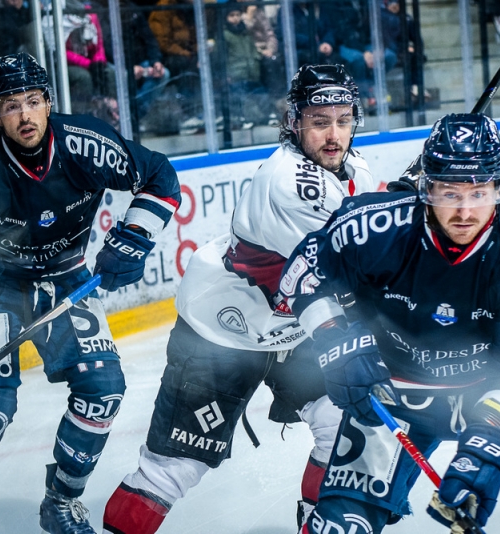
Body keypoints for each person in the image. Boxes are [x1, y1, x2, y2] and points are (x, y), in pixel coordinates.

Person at [280, 113, 500, 534]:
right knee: (341, 526)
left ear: (499, 189)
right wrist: (333, 336)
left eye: (479, 192)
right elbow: (302, 275)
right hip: (392, 388)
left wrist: (489, 437)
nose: (465, 211)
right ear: (426, 188)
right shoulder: (370, 228)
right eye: (450, 193)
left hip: (497, 388)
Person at [101, 64, 374, 534]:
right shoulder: (288, 182)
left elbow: (365, 221)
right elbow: (349, 264)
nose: (333, 134)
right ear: (294, 122)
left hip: (293, 329)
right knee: (171, 471)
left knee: (346, 432)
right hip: (223, 335)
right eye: (319, 121)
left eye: (343, 120)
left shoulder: (354, 168)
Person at [0, 52, 181, 534]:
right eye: (9, 106)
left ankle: (61, 503)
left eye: (32, 101)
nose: (24, 115)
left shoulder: (86, 143)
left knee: (103, 392)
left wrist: (135, 235)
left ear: (48, 102)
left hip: (67, 276)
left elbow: (159, 177)